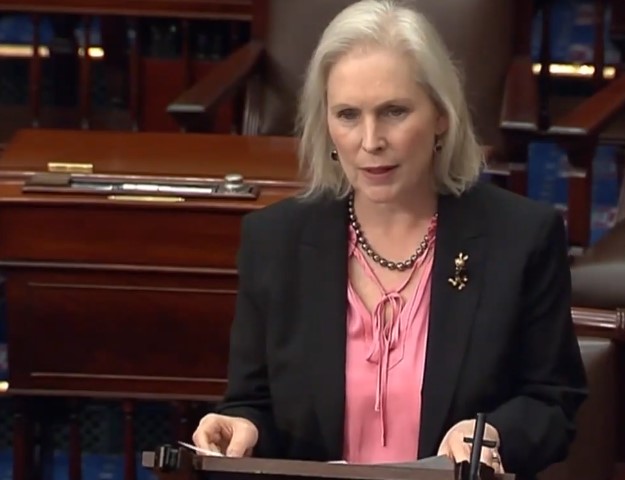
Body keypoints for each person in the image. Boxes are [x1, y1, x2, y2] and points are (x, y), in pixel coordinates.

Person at [192, 0, 588, 477]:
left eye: (394, 112)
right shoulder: (274, 241)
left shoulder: (522, 238)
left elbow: (552, 402)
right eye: (347, 115)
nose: (370, 140)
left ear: (441, 115)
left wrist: (493, 434)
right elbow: (254, 402)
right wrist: (241, 426)